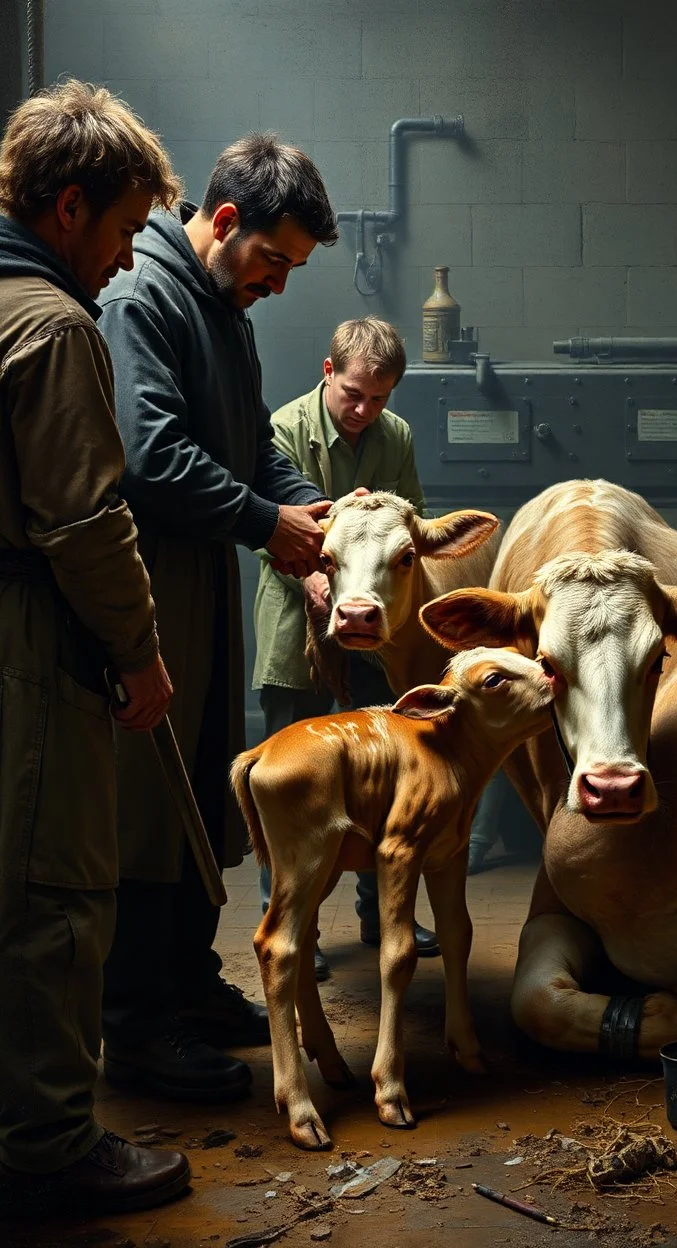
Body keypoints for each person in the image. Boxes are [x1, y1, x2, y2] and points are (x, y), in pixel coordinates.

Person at [96, 135, 338, 1103]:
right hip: (154, 582)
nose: (279, 285)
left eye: (294, 270)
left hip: (204, 577)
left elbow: (245, 447)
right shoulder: (141, 299)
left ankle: (190, 988)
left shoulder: (223, 305)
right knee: (151, 808)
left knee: (200, 788)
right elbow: (150, 455)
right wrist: (260, 522)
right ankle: (137, 1027)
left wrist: (312, 510)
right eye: (273, 260)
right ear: (224, 222)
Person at [0, 81, 190, 1212]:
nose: (126, 262)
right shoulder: (53, 326)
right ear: (69, 208)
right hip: (30, 638)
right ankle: (50, 1148)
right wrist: (140, 651)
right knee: (53, 894)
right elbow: (82, 521)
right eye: (122, 231)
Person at [252, 317, 440, 981]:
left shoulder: (396, 438)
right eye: (354, 394)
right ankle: (289, 921)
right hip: (298, 621)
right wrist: (313, 578)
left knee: (383, 775)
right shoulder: (283, 429)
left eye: (380, 399)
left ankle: (382, 910)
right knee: (291, 783)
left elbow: (410, 524)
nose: (364, 412)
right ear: (328, 372)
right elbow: (272, 528)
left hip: (377, 630)